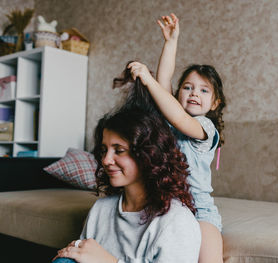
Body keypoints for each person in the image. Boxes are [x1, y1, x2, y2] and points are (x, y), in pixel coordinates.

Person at [52, 77, 201, 263]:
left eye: (119, 150)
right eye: (104, 150)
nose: (105, 160)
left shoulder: (176, 221)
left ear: (149, 154)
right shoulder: (101, 209)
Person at [127, 13, 226, 263]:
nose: (194, 93)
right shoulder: (171, 118)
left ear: (214, 103)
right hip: (168, 208)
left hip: (199, 210)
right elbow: (163, 84)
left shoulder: (205, 127)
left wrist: (148, 80)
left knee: (208, 251)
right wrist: (171, 42)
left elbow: (179, 119)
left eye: (204, 90)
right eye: (187, 87)